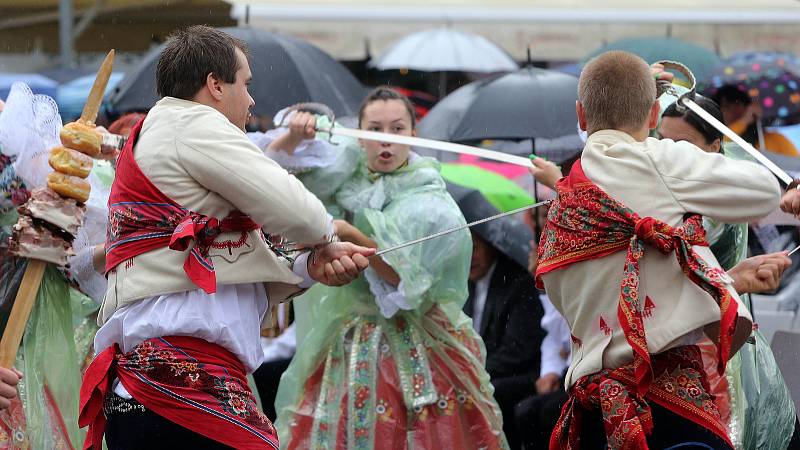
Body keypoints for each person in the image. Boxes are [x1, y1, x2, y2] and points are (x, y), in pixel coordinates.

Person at [78, 25, 374, 450]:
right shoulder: (191, 123)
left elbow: (221, 245)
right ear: (215, 85)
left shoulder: (159, 132)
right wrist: (323, 234)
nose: (252, 100)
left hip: (151, 387)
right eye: (247, 83)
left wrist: (309, 264)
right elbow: (289, 204)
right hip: (182, 386)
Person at [536, 50, 784, 449]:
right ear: (654, 117)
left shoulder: (565, 204)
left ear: (581, 116)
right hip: (667, 407)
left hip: (596, 412)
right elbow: (764, 190)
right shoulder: (661, 162)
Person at [262, 87, 508, 449]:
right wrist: (294, 135)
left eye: (397, 129)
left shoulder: (430, 200)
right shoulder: (343, 178)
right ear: (360, 135)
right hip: (349, 340)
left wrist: (348, 233)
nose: (386, 141)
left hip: (421, 342)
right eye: (375, 129)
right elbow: (270, 182)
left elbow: (406, 283)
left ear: (413, 134)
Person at [659, 94, 800, 448]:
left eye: (684, 146)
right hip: (677, 348)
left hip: (720, 350)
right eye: (662, 144)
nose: (671, 155)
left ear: (715, 146)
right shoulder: (672, 191)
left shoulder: (713, 200)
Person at [457, 192, 545, 450]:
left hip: (523, 376)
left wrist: (472, 373)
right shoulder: (468, 287)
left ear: (491, 245)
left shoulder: (517, 284)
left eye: (476, 247)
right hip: (487, 371)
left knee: (478, 394)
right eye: (465, 248)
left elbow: (516, 352)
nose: (471, 256)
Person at [712, 85, 798, 156]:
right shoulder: (716, 142)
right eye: (727, 106)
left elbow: (796, 167)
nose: (734, 110)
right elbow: (723, 146)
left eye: (738, 104)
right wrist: (743, 121)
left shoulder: (774, 138)